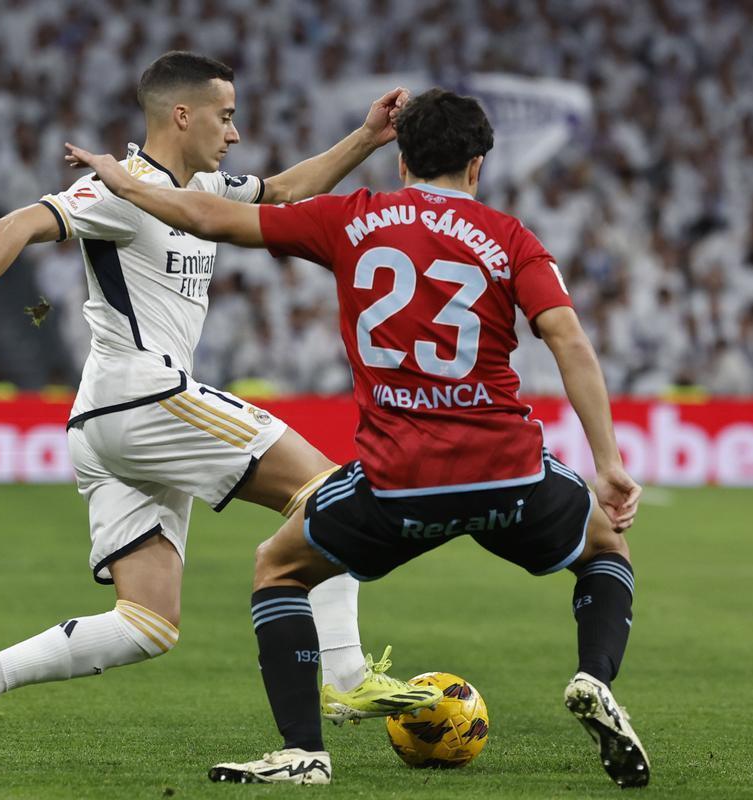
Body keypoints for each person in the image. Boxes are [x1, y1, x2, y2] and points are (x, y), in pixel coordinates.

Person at [71, 87, 650, 788]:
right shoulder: (511, 238)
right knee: (604, 547)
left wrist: (121, 178)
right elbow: (568, 340)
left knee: (279, 570)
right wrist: (609, 463)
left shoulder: (354, 220)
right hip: (506, 471)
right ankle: (593, 677)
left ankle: (303, 752)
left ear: (401, 160)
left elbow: (207, 217)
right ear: (477, 164)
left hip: (399, 480)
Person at [0, 52, 441, 771]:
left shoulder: (207, 186)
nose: (237, 133)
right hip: (143, 395)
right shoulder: (124, 190)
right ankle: (345, 680)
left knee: (147, 624)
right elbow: (14, 225)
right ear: (181, 116)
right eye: (225, 116)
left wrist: (366, 138)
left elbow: (283, 191)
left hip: (103, 423)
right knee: (332, 495)